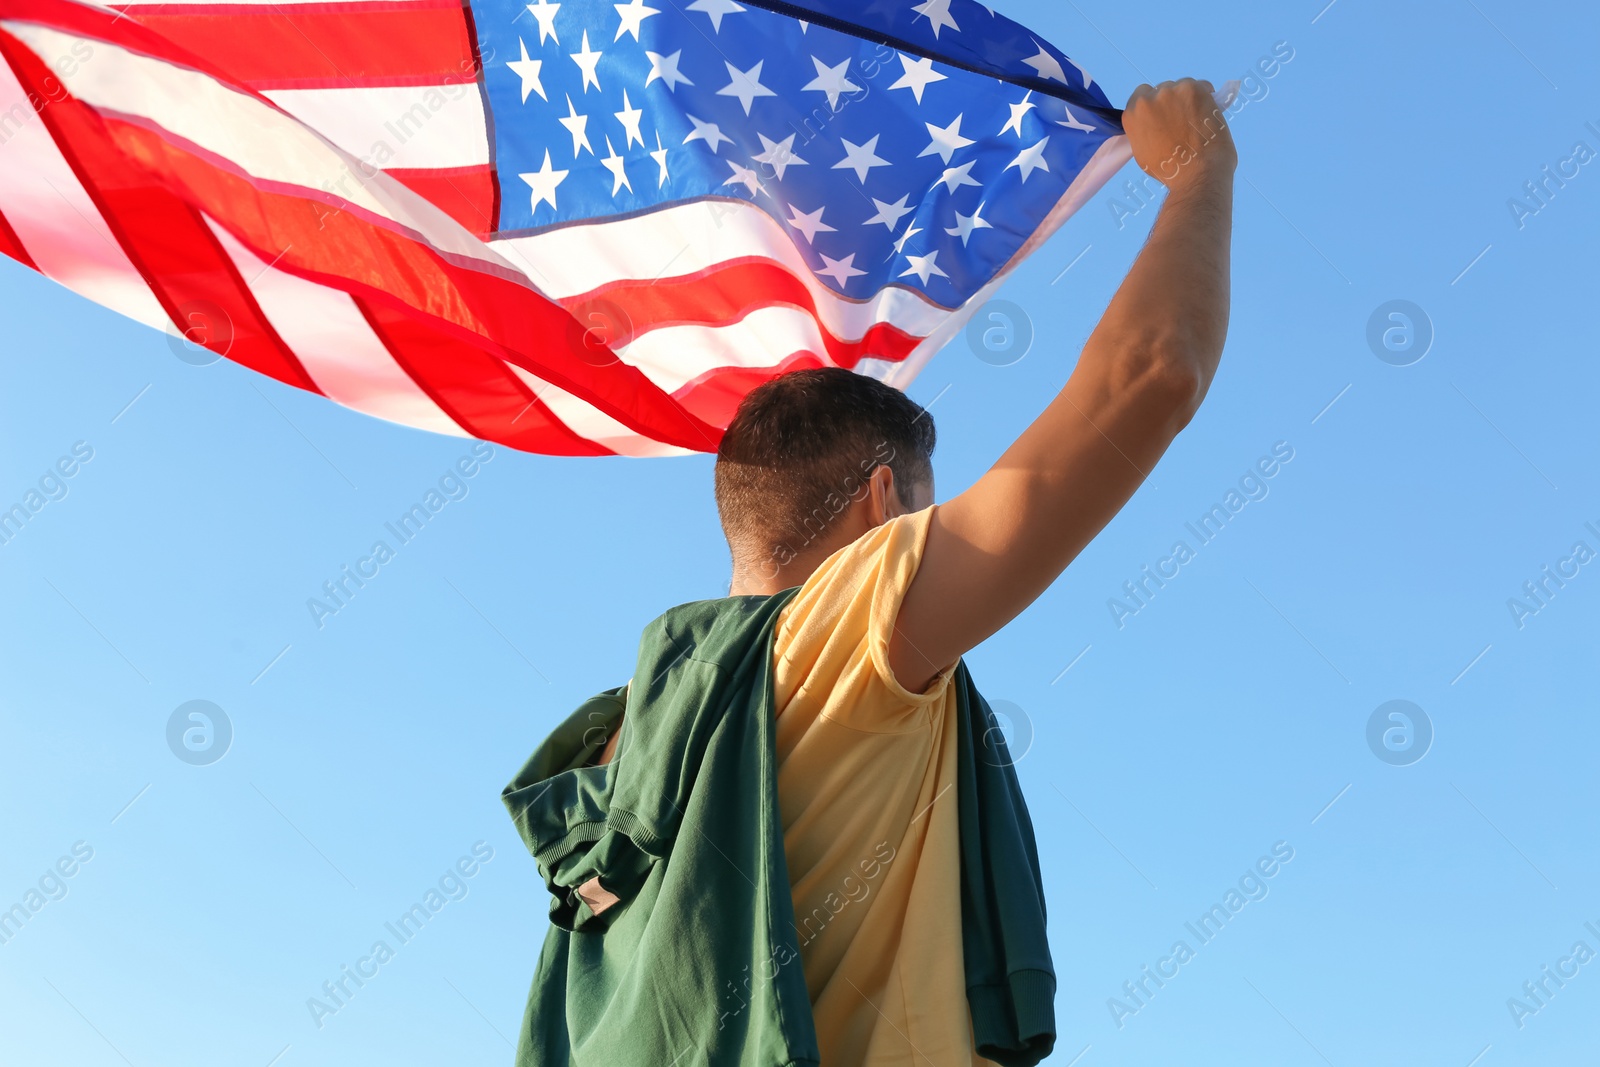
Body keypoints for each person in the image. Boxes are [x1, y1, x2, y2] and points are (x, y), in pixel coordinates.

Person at [542, 77, 1235, 1067]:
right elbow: (1151, 373)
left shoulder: (623, 742)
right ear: (879, 507)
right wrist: (1199, 173)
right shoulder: (844, 630)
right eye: (923, 503)